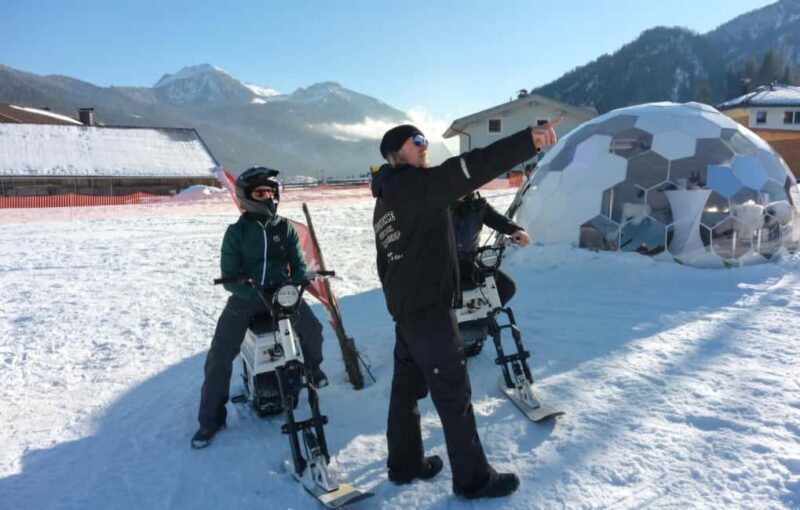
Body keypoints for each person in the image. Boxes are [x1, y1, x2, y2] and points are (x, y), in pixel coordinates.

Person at [371, 121, 558, 498]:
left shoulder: (389, 195)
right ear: (397, 152)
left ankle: (405, 464)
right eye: (417, 140)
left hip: (408, 312)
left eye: (425, 139)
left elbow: (384, 262)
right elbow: (469, 167)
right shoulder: (415, 186)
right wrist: (527, 140)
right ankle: (474, 479)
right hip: (427, 313)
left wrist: (400, 303)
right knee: (454, 394)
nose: (425, 145)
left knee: (405, 390)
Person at [191, 166, 327, 449]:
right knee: (219, 354)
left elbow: (298, 263)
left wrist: (296, 281)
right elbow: (229, 275)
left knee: (312, 329)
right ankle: (210, 419)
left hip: (282, 295)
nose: (267, 197)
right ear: (246, 196)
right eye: (260, 192)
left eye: (270, 192)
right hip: (247, 298)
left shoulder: (285, 228)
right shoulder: (236, 232)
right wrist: (250, 290)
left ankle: (312, 370)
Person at [451, 191, 531, 307]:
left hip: (470, 264)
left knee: (506, 287)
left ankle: (482, 322)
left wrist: (516, 230)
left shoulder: (476, 204)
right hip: (443, 268)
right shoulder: (437, 205)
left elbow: (497, 219)